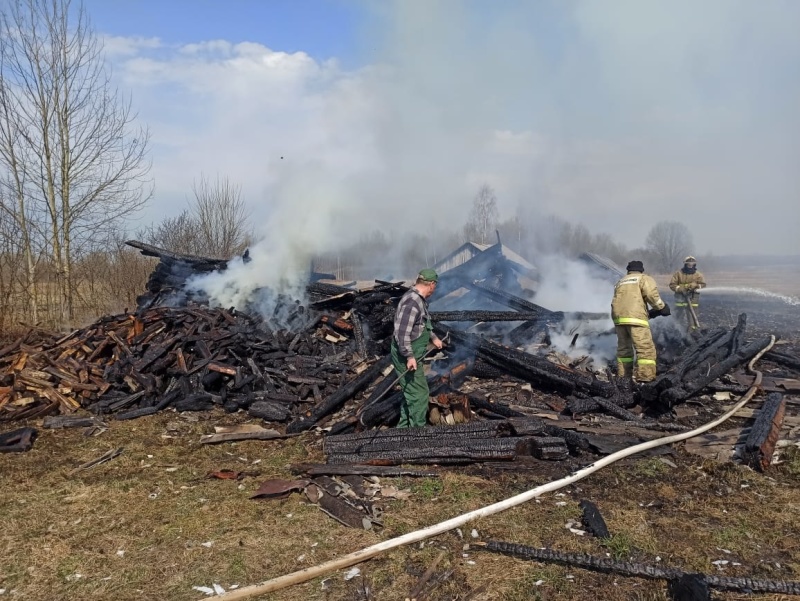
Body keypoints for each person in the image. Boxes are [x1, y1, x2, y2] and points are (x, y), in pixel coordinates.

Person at [391, 268, 444, 428]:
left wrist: (434, 338)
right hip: (405, 354)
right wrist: (409, 356)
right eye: (435, 286)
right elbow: (401, 333)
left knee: (411, 394)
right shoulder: (412, 302)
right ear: (432, 284)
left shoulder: (418, 299)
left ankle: (403, 430)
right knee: (420, 395)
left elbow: (422, 323)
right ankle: (416, 435)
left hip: (411, 353)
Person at [611, 260, 670, 383]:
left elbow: (625, 300)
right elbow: (651, 295)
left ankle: (623, 379)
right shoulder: (643, 278)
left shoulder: (620, 281)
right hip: (636, 318)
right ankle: (645, 378)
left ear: (628, 270)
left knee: (624, 350)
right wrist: (661, 307)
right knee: (645, 348)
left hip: (619, 319)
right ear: (641, 270)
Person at [669, 255, 707, 331]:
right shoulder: (678, 274)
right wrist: (680, 289)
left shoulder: (698, 275)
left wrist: (696, 285)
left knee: (692, 316)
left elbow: (703, 285)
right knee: (678, 316)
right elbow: (672, 285)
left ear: (694, 264)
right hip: (680, 298)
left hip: (693, 298)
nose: (690, 265)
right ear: (685, 264)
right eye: (688, 264)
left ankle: (692, 331)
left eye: (692, 264)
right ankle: (677, 331)